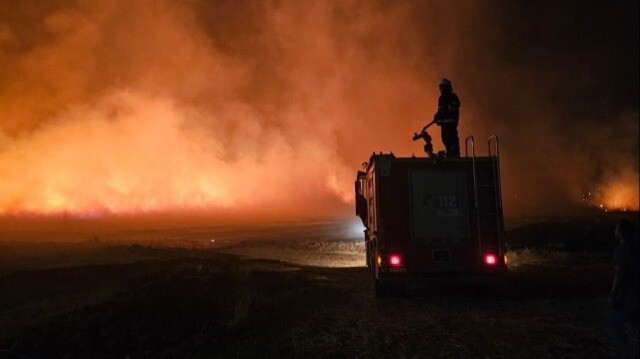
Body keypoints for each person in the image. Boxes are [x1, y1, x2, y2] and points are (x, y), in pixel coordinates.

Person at [608, 218, 639, 358]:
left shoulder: (621, 250)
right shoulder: (636, 248)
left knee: (613, 324)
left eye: (617, 228)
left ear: (620, 233)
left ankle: (628, 354)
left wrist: (613, 293)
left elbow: (620, 274)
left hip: (629, 295)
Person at [431, 78, 461, 157]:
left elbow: (457, 104)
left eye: (442, 87)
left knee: (452, 137)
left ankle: (454, 152)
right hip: (444, 124)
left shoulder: (453, 96)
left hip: (451, 123)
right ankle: (449, 152)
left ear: (447, 87)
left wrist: (448, 107)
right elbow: (440, 110)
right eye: (440, 87)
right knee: (444, 138)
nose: (441, 89)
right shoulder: (441, 98)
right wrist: (437, 116)